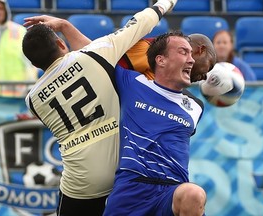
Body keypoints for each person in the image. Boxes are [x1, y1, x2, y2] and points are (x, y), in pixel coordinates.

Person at [21, 0, 178, 215]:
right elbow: (139, 23)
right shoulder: (95, 54)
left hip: (79, 185)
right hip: (123, 174)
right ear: (60, 44)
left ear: (34, 64)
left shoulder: (32, 100)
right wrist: (164, 3)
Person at [103, 31, 207, 216]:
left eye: (191, 54)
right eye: (184, 52)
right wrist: (65, 26)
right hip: (130, 189)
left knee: (194, 194)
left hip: (171, 192)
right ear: (161, 60)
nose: (192, 60)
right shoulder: (132, 83)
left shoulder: (195, 107)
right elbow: (94, 57)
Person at [119, 33, 216, 82]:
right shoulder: (149, 48)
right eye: (208, 68)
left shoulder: (175, 79)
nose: (204, 77)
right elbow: (112, 73)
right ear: (201, 50)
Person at [0, 0, 37, 81]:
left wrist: (30, 84)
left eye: (1, 8)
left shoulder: (20, 31)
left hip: (16, 90)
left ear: (6, 11)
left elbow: (29, 61)